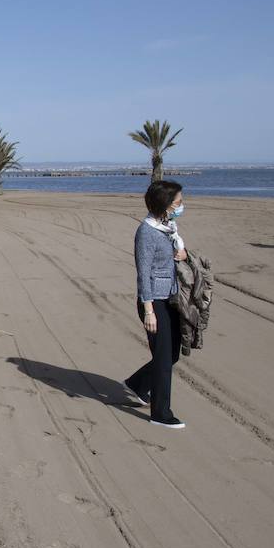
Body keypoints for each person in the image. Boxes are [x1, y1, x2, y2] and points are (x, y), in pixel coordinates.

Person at [124, 180, 188, 429]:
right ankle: (160, 413)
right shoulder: (146, 232)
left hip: (170, 297)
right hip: (153, 302)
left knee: (171, 354)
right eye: (178, 202)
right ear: (165, 204)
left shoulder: (168, 227)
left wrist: (185, 254)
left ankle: (138, 384)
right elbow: (144, 273)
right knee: (163, 359)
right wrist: (149, 311)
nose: (182, 206)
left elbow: (175, 257)